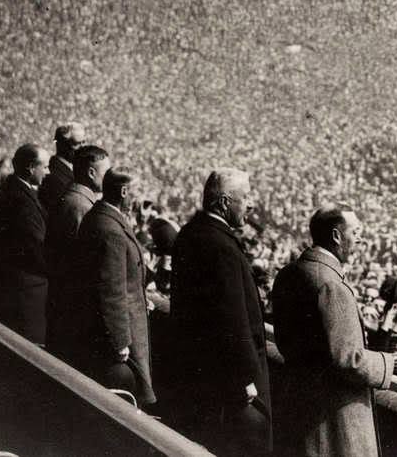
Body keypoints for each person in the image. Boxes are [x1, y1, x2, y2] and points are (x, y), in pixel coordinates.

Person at [270, 202, 397, 457]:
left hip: (300, 409)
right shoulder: (331, 285)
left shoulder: (289, 273)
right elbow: (349, 359)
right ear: (336, 236)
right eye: (356, 232)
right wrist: (388, 362)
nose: (361, 239)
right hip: (332, 422)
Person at [171, 168, 271, 455]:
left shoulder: (191, 232)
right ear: (225, 202)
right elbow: (231, 318)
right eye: (246, 197)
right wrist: (245, 377)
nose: (250, 205)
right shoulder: (220, 246)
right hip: (229, 380)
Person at [72, 168, 155, 406]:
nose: (139, 200)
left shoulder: (101, 217)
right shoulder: (110, 229)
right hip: (120, 334)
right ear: (124, 191)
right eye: (137, 192)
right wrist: (120, 341)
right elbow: (111, 290)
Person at [45, 145, 110, 356]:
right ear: (91, 172)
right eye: (105, 172)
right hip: (74, 305)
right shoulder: (81, 206)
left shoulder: (74, 198)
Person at [0, 144, 51, 345]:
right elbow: (35, 245)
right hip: (23, 290)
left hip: (20, 286)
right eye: (45, 167)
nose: (48, 172)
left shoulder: (17, 190)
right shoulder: (19, 198)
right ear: (31, 167)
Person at [39, 122, 85, 217]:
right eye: (76, 144)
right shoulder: (52, 174)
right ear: (61, 145)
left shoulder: (77, 169)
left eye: (83, 142)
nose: (83, 148)